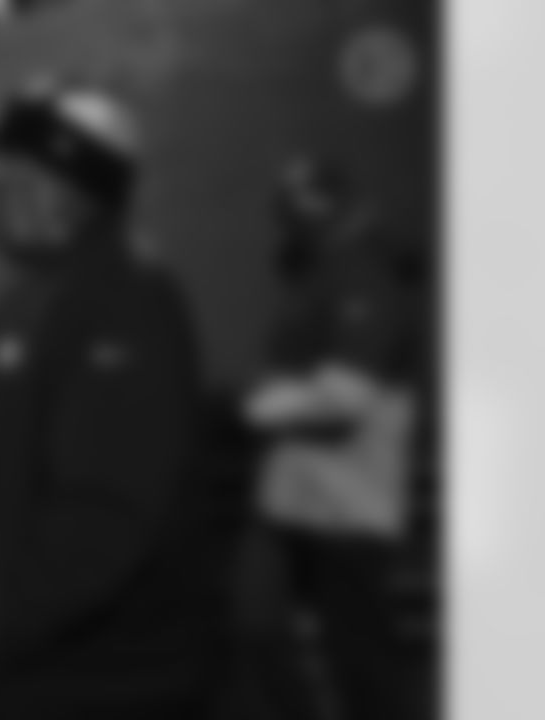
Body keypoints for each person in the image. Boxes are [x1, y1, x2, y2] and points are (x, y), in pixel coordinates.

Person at [0, 75, 226, 720]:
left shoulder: (122, 303)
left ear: (81, 191)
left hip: (77, 687)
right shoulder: (34, 304)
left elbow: (101, 520)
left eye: (22, 171)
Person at [239, 155, 430, 720]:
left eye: (309, 199)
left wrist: (258, 408)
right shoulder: (319, 274)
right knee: (257, 626)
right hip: (295, 499)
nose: (298, 215)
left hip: (349, 507)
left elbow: (345, 401)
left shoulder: (364, 274)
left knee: (360, 663)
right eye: (289, 204)